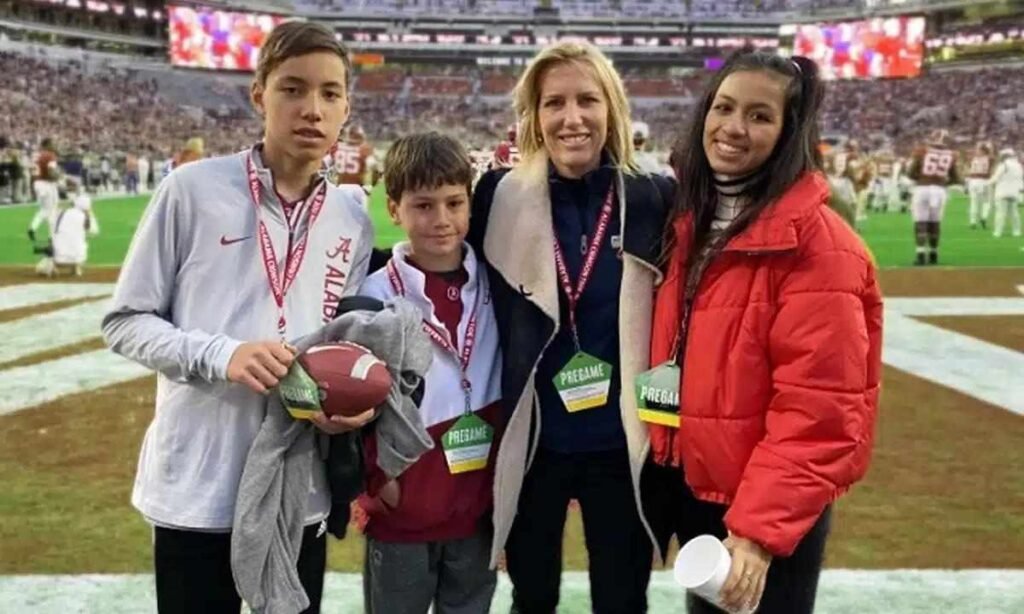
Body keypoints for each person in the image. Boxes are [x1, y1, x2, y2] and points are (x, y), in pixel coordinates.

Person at [101, 21, 375, 614]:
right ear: (259, 95)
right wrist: (224, 355)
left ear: (347, 105)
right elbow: (125, 319)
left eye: (330, 93)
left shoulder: (352, 218)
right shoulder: (191, 190)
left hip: (296, 491)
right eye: (293, 89)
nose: (312, 109)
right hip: (199, 488)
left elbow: (340, 342)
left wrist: (341, 405)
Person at [644, 50, 883, 614]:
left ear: (788, 131)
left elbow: (820, 411)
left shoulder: (822, 249)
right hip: (703, 490)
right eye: (724, 107)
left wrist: (757, 530)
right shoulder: (688, 221)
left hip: (762, 510)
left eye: (759, 115)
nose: (733, 127)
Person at [469, 41, 674, 614]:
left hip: (623, 443)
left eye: (587, 100)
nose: (571, 118)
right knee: (532, 599)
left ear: (612, 108)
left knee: (622, 598)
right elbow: (439, 268)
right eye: (553, 102)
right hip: (534, 441)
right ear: (533, 116)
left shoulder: (654, 197)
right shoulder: (498, 197)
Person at [358, 132, 503, 614]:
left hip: (478, 511)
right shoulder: (372, 296)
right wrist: (379, 480)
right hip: (403, 513)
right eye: (423, 205)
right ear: (394, 209)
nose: (441, 220)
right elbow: (350, 401)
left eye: (454, 203)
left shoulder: (499, 283)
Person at [908, 128, 961, 265]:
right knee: (935, 222)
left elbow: (910, 172)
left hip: (922, 188)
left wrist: (921, 178)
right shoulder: (951, 155)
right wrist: (941, 181)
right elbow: (956, 178)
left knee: (920, 222)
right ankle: (933, 253)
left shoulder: (922, 151)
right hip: (939, 190)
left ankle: (920, 254)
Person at [28, 137, 60, 243]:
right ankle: (52, 236)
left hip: (37, 183)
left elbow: (33, 171)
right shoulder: (50, 155)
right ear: (48, 144)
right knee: (52, 210)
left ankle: (33, 227)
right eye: (52, 143)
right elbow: (51, 171)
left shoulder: (36, 155)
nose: (54, 145)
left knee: (44, 209)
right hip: (47, 184)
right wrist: (58, 177)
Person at [989, 147, 1023, 238]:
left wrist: (988, 183)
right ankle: (1017, 231)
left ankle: (998, 232)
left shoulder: (1003, 165)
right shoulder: (1018, 165)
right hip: (1014, 192)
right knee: (1014, 213)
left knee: (1000, 213)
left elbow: (996, 177)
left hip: (1002, 191)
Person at [966, 141, 996, 229]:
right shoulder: (989, 158)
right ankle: (984, 217)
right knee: (986, 202)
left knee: (973, 202)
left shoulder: (972, 158)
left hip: (973, 181)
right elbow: (992, 157)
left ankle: (972, 222)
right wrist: (990, 148)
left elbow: (968, 161)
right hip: (984, 181)